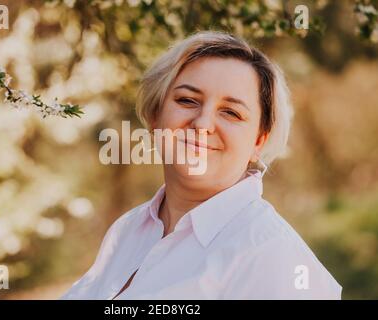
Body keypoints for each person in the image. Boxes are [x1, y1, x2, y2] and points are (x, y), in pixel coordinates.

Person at [62, 31, 342, 300]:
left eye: (231, 112)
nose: (203, 124)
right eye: (187, 100)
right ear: (156, 115)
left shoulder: (274, 256)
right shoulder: (128, 229)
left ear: (258, 140)